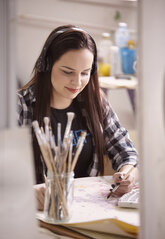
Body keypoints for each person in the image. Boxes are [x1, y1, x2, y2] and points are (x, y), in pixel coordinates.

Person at [17, 24, 138, 210]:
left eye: (85, 73)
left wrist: (127, 174)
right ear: (46, 65)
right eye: (67, 72)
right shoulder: (19, 106)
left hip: (82, 210)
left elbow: (126, 151)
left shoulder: (96, 102)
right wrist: (28, 193)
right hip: (31, 213)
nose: (77, 82)